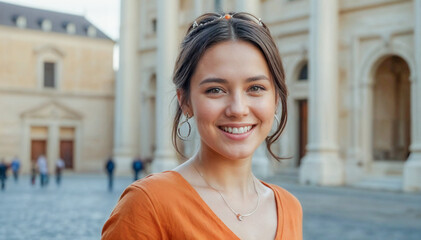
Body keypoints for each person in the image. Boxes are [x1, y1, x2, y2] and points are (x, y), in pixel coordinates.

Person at [102, 12, 302, 239]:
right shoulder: (148, 205)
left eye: (255, 87)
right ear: (185, 101)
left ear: (275, 98)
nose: (238, 109)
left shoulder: (289, 206)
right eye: (215, 90)